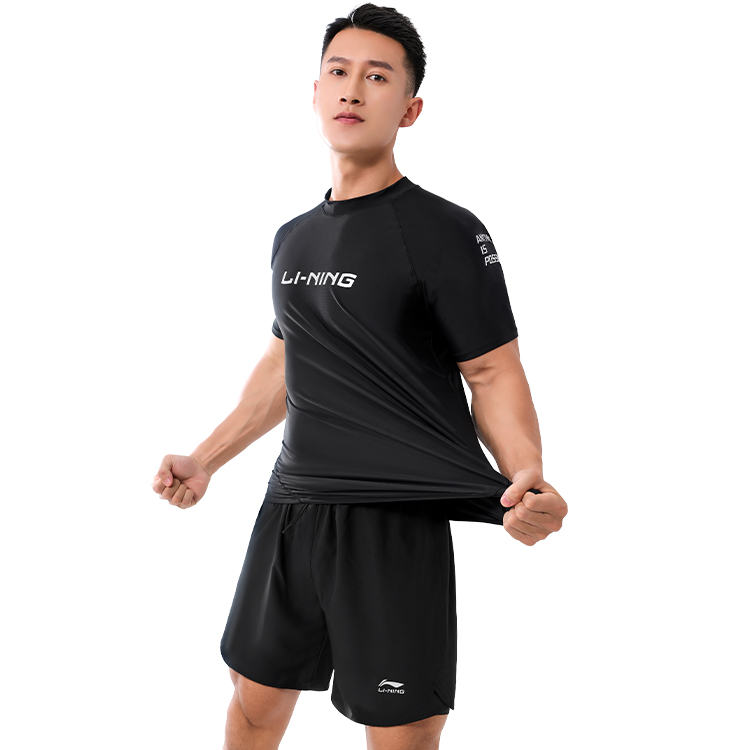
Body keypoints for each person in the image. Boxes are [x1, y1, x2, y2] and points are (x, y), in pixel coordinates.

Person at [152, 4, 568, 748]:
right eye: (338, 72)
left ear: (409, 109)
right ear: (314, 93)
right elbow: (286, 360)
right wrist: (205, 458)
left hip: (393, 516)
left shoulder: (446, 231)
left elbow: (492, 370)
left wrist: (526, 476)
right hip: (291, 507)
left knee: (400, 730)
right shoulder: (293, 236)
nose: (352, 89)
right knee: (252, 702)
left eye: (377, 77)